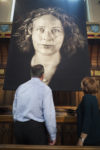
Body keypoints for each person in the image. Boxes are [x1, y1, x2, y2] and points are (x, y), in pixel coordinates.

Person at [14, 7, 86, 85]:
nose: (47, 37)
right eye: (40, 29)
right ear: (30, 32)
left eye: (55, 30)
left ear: (66, 34)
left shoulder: (77, 71)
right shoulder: (15, 68)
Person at [12, 64, 56, 145]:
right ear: (43, 75)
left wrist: (17, 124)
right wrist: (52, 135)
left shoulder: (20, 87)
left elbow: (14, 110)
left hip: (19, 128)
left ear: (31, 74)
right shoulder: (45, 89)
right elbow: (49, 115)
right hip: (36, 130)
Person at [77, 77, 100, 146]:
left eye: (82, 84)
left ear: (86, 87)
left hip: (88, 139)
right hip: (95, 137)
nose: (81, 86)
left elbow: (87, 119)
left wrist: (81, 139)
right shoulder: (94, 98)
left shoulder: (86, 98)